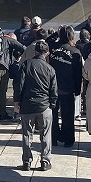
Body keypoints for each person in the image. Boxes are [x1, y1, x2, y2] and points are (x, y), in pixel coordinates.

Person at [13, 40, 58, 171]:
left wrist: (17, 100)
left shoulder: (26, 64)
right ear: (47, 53)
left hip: (27, 105)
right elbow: (53, 90)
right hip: (44, 105)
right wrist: (52, 104)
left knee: (27, 134)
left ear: (35, 51)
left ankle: (27, 161)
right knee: (46, 134)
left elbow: (19, 85)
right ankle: (45, 160)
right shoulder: (50, 69)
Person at [49, 26, 84, 147]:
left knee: (52, 115)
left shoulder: (53, 48)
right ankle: (68, 139)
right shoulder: (75, 52)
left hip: (53, 87)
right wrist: (78, 89)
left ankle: (53, 138)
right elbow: (78, 73)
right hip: (68, 88)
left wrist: (55, 36)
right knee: (68, 115)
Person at [0, 28, 24, 120]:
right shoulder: (7, 40)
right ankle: (3, 114)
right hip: (3, 67)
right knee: (2, 91)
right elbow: (22, 47)